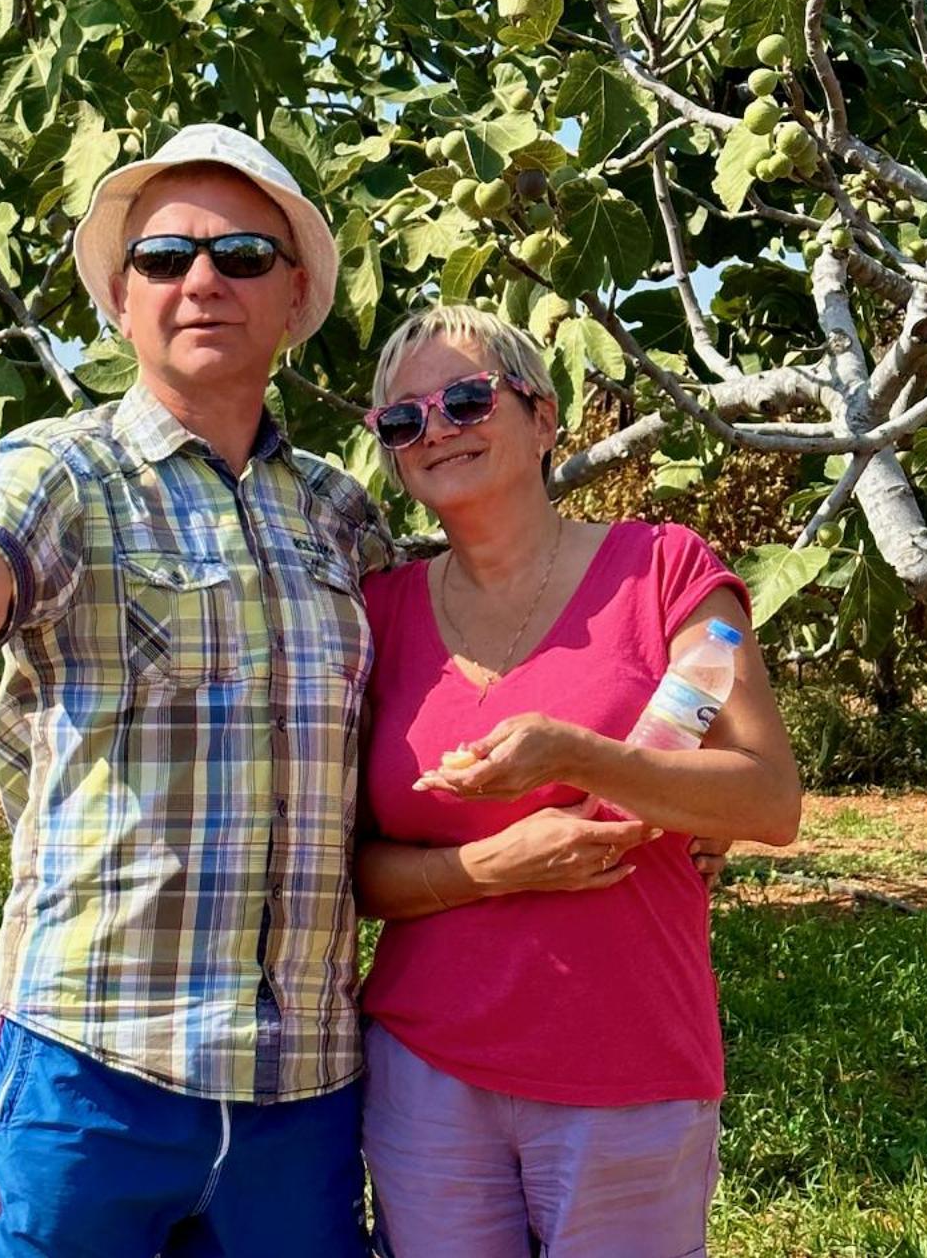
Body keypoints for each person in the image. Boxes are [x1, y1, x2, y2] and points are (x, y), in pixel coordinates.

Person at [0, 125, 389, 1258]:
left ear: (293, 295)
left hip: (306, 1073)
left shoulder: (341, 512)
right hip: (93, 1051)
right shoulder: (60, 470)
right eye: (162, 258)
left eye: (241, 255)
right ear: (115, 293)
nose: (200, 280)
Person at [352, 302, 802, 1258]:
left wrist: (579, 756)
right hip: (426, 1069)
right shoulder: (378, 611)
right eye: (404, 419)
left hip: (629, 1061)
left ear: (544, 416)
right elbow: (350, 874)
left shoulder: (663, 570)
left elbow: (769, 799)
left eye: (467, 400)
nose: (437, 429)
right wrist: (495, 867)